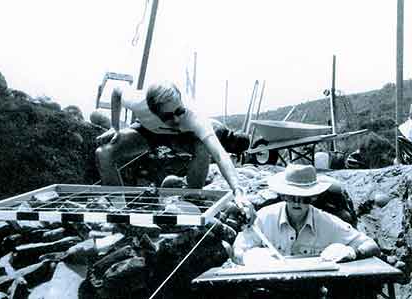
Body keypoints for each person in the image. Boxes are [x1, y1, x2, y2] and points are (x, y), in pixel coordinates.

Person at [233, 164, 380, 298]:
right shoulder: (265, 218)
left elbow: (371, 245)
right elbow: (238, 250)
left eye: (303, 197)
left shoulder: (326, 222)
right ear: (283, 195)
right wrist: (251, 257)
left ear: (313, 197)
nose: (297, 202)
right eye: (292, 196)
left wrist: (352, 252)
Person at [95, 81, 250, 200]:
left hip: (182, 137)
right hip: (149, 131)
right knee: (103, 153)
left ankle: (192, 198)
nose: (176, 119)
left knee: (203, 147)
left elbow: (219, 154)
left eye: (179, 111)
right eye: (168, 116)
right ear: (152, 110)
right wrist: (114, 127)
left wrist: (237, 190)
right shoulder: (138, 101)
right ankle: (118, 209)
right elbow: (116, 91)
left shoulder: (193, 116)